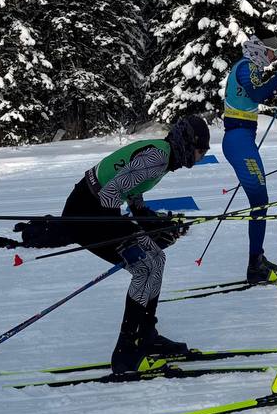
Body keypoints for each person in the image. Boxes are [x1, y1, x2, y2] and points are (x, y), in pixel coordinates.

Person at [60, 114, 211, 373]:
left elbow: (131, 184)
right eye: (201, 151)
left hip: (98, 209)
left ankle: (147, 335)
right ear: (187, 143)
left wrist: (145, 218)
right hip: (86, 214)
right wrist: (131, 230)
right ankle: (125, 353)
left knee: (157, 258)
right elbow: (110, 194)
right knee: (144, 266)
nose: (200, 157)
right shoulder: (158, 157)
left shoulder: (163, 156)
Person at [222, 29, 277, 283]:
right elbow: (257, 94)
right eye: (272, 52)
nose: (273, 57)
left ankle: (257, 260)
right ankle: (255, 265)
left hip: (242, 138)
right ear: (261, 49)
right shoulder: (247, 66)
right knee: (260, 201)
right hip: (238, 139)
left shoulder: (251, 67)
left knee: (260, 201)